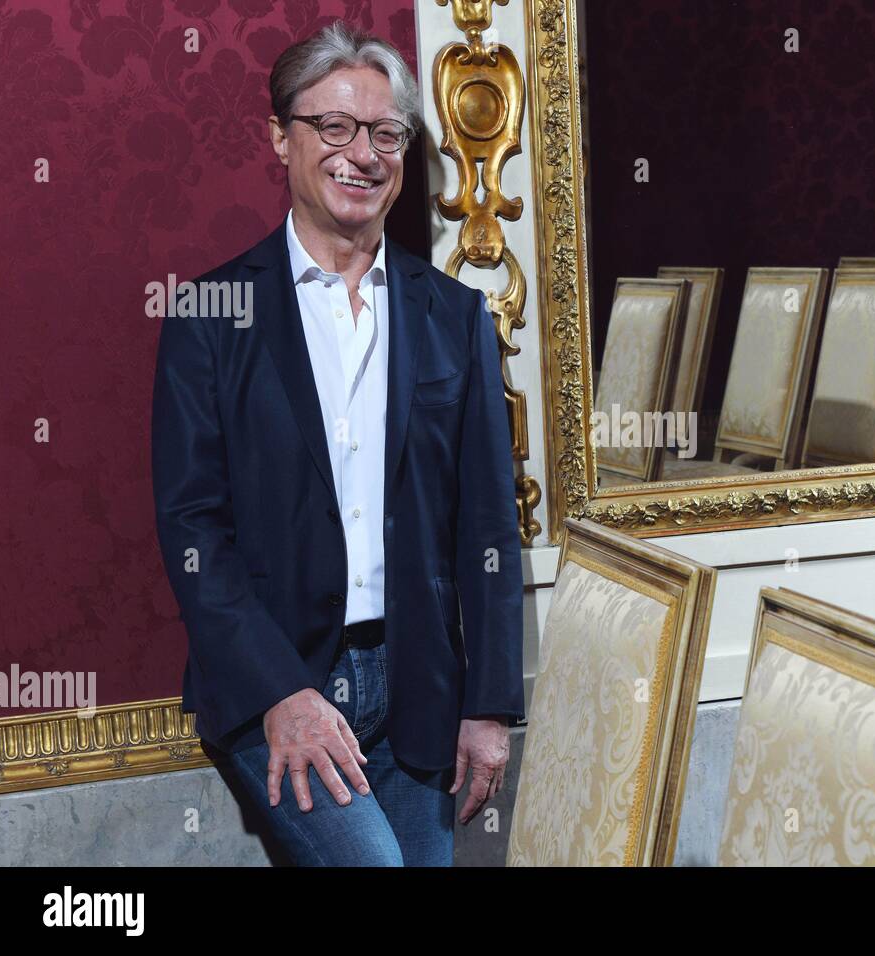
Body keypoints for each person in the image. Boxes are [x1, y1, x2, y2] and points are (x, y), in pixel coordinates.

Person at [151, 21, 523, 866]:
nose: (364, 152)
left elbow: (490, 527)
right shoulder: (212, 315)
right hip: (277, 681)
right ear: (281, 136)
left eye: (386, 132)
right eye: (336, 127)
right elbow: (193, 530)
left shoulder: (454, 317)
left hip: (423, 685)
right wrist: (280, 691)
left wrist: (491, 705)